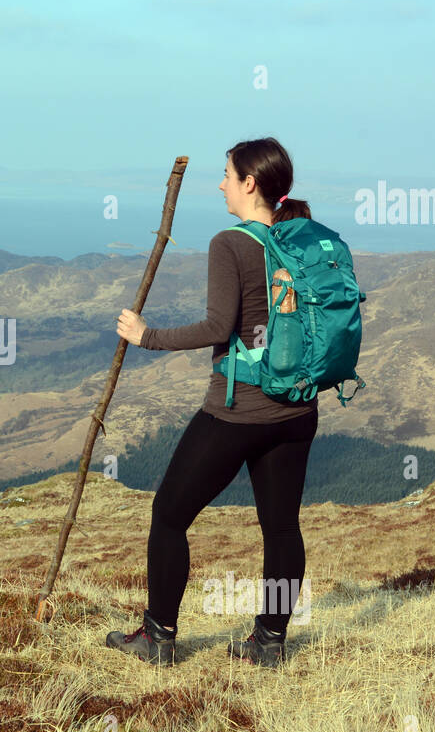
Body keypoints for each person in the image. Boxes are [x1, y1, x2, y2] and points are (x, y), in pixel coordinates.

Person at [108, 137, 318, 668]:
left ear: (250, 184)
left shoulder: (230, 243)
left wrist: (146, 336)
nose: (221, 184)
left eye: (228, 175)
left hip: (237, 411)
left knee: (169, 514)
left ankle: (158, 638)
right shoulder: (300, 240)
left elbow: (218, 327)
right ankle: (269, 643)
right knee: (281, 526)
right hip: (296, 409)